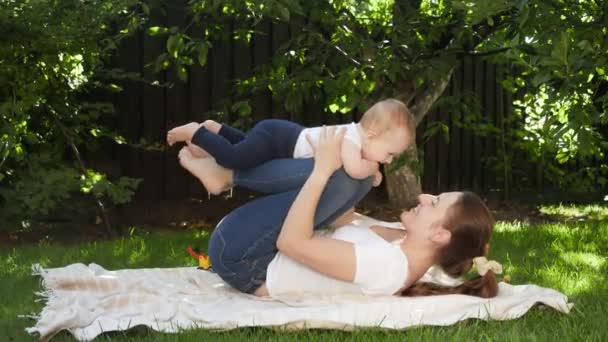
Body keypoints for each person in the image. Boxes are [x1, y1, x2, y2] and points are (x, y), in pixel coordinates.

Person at [177, 126, 499, 298]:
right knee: (352, 178)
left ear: (440, 234)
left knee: (339, 177)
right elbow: (341, 217)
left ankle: (228, 173)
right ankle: (228, 163)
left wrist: (322, 170)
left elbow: (292, 242)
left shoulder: (387, 266)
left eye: (436, 202)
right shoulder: (405, 243)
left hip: (245, 261)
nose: (425, 196)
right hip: (256, 249)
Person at [166, 99, 414, 191]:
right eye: (390, 153)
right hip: (278, 138)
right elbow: (354, 170)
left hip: (280, 139)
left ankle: (215, 129)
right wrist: (372, 170)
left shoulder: (358, 139)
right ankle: (195, 131)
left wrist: (373, 170)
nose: (389, 160)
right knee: (234, 158)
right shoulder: (350, 139)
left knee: (247, 150)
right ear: (371, 134)